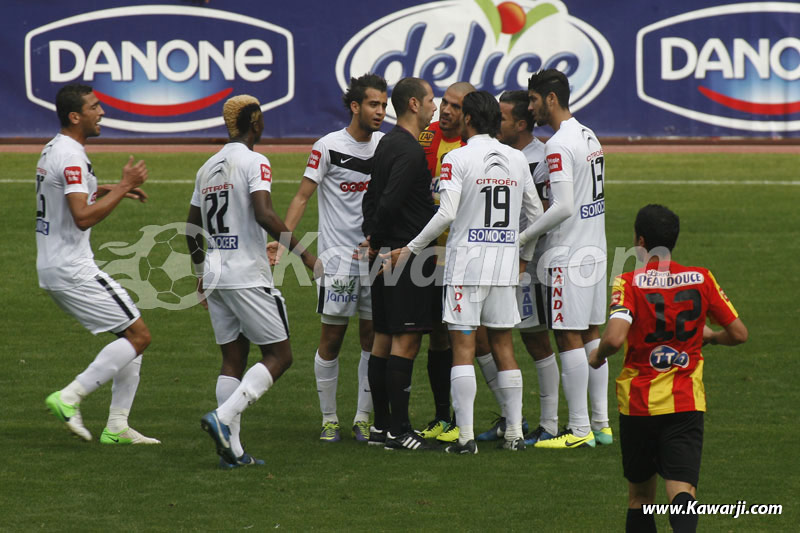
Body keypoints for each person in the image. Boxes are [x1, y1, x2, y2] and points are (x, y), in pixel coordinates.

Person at [384, 90, 542, 453]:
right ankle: (515, 434)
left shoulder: (457, 157)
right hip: (503, 265)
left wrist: (409, 249)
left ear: (469, 120)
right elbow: (535, 217)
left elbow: (447, 213)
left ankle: (467, 438)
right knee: (503, 346)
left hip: (467, 265)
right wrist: (523, 257)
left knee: (463, 348)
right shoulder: (517, 158)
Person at [588, 204, 748, 532]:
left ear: (641, 241)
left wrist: (598, 355)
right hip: (686, 402)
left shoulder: (628, 282)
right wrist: (712, 338)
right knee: (683, 493)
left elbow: (616, 339)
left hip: (638, 405)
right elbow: (739, 334)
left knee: (641, 500)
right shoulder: (702, 278)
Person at [188, 94, 320, 467]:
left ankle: (234, 451)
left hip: (215, 275)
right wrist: (306, 254)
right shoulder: (255, 161)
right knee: (280, 355)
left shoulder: (207, 167)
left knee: (233, 357)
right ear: (255, 121)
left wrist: (200, 273)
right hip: (246, 272)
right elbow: (264, 213)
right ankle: (223, 417)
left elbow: (191, 228)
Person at [39, 84, 159, 445]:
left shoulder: (54, 149)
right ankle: (70, 396)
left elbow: (67, 194)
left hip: (55, 265)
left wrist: (106, 188)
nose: (102, 111)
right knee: (140, 336)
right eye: (94, 107)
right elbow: (82, 217)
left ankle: (117, 427)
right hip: (72, 267)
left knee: (129, 335)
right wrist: (123, 186)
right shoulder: (71, 155)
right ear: (76, 116)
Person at [273, 73, 388, 443]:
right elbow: (302, 196)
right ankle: (328, 418)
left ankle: (362, 418)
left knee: (371, 338)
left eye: (384, 105)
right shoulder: (327, 146)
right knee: (332, 339)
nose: (380, 112)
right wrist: (282, 240)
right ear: (355, 106)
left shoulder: (386, 146)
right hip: (337, 262)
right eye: (374, 104)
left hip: (376, 259)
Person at [519, 69, 611, 449]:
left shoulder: (558, 145)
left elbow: (563, 206)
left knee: (567, 336)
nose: (531, 107)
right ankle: (601, 425)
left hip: (567, 254)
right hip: (596, 250)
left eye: (534, 100)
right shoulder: (589, 135)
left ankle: (577, 430)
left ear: (551, 99)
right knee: (592, 335)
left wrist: (523, 237)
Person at [475, 90, 557, 445]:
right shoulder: (501, 154)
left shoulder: (539, 159)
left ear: (521, 124)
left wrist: (525, 259)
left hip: (530, 263)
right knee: (482, 336)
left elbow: (544, 212)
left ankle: (549, 424)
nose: (497, 123)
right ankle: (513, 419)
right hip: (498, 261)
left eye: (503, 118)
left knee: (535, 341)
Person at [361, 77, 438, 450]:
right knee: (405, 342)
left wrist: (372, 239)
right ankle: (399, 429)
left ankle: (381, 426)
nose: (435, 107)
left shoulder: (387, 143)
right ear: (412, 104)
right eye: (430, 100)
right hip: (405, 256)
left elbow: (371, 199)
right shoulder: (407, 150)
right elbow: (388, 202)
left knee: (383, 339)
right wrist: (378, 241)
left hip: (384, 254)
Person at [416, 81, 474, 443]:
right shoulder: (427, 136)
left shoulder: (475, 145)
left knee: (469, 340)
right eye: (445, 103)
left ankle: (465, 419)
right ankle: (442, 417)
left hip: (466, 255)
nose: (446, 110)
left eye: (455, 106)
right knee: (437, 336)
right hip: (431, 255)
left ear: (468, 113)